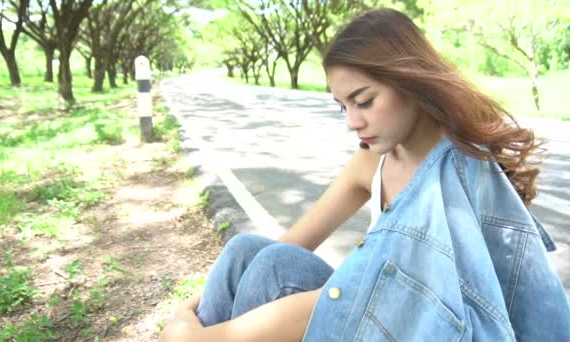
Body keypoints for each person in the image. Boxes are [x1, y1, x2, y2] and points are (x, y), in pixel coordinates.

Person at [159, 8, 570, 342]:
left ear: (411, 81)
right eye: (343, 106)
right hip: (379, 316)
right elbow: (291, 243)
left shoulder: (453, 178)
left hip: (416, 327)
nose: (352, 122)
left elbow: (356, 296)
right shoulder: (374, 159)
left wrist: (211, 337)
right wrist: (193, 311)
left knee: (267, 276)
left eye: (364, 101)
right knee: (249, 251)